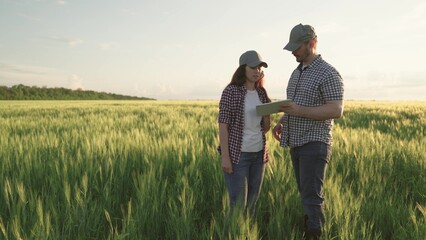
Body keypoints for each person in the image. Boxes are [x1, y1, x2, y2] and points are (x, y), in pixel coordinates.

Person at [273, 24, 344, 239]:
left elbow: (336, 109)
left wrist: (299, 111)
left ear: (312, 43)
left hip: (315, 143)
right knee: (305, 194)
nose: (293, 51)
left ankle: (314, 234)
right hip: (296, 141)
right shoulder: (297, 73)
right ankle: (310, 229)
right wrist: (283, 120)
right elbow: (294, 104)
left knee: (312, 196)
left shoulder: (329, 73)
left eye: (297, 47)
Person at [218, 50, 271, 217]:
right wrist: (225, 157)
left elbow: (265, 128)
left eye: (260, 67)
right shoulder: (231, 92)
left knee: (252, 205)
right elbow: (223, 126)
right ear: (243, 68)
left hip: (259, 155)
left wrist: (268, 113)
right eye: (253, 67)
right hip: (238, 155)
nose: (257, 71)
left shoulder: (261, 93)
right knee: (238, 206)